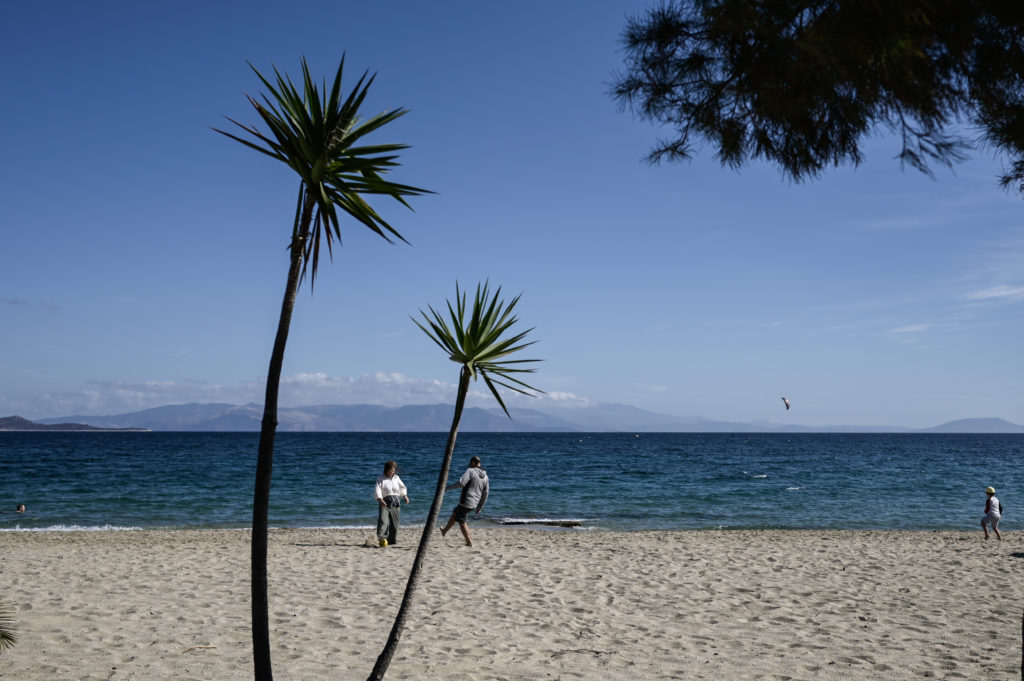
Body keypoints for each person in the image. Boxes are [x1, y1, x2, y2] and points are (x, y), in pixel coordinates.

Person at [440, 456, 489, 547]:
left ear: (473, 463)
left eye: (470, 463)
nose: (469, 465)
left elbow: (461, 483)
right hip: (474, 503)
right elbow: (486, 493)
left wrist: (447, 488)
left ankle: (469, 542)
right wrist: (480, 506)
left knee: (461, 522)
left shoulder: (470, 471)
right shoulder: (486, 477)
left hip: (466, 501)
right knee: (455, 513)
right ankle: (444, 531)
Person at [374, 460, 409, 547]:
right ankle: (382, 539)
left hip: (396, 502)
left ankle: (391, 541)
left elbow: (402, 487)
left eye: (393, 471)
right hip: (384, 502)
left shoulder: (396, 478)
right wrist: (380, 499)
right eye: (390, 472)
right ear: (386, 470)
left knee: (395, 524)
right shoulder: (380, 478)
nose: (391, 473)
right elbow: (377, 489)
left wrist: (405, 496)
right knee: (383, 521)